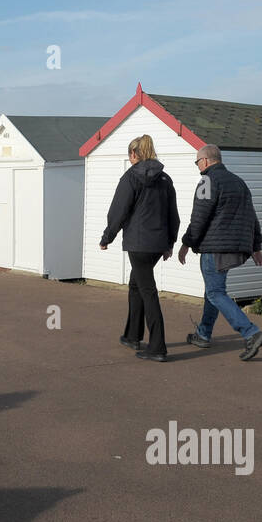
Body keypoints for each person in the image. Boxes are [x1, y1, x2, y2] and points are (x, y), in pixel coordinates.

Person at [177, 144, 262, 360]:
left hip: (214, 248)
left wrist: (186, 243)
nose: (198, 166)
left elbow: (199, 217)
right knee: (213, 290)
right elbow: (252, 216)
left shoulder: (207, 180)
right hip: (233, 247)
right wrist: (256, 246)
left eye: (197, 162)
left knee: (215, 292)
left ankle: (251, 332)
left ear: (206, 161)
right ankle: (203, 334)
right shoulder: (239, 182)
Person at [99, 134, 180, 362]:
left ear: (134, 154)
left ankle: (157, 347)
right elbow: (173, 214)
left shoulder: (130, 177)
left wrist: (108, 236)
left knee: (148, 291)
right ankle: (132, 335)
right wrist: (170, 242)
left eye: (129, 154)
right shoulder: (165, 179)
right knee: (136, 285)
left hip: (139, 243)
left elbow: (118, 211)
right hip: (157, 244)